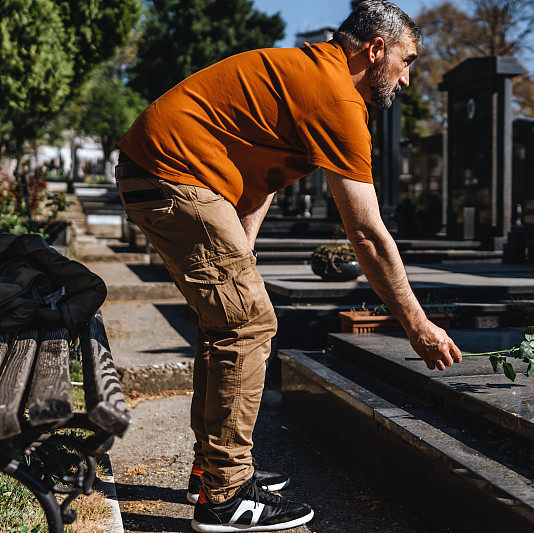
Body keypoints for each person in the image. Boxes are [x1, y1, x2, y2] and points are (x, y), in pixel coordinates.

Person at [113, 2, 463, 531]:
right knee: (248, 323)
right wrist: (416, 325)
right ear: (375, 50)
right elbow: (366, 232)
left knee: (227, 320)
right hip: (173, 174)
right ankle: (226, 498)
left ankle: (213, 471)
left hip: (166, 171)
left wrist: (242, 259)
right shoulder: (335, 96)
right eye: (407, 61)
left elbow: (260, 179)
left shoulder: (308, 74)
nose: (408, 79)